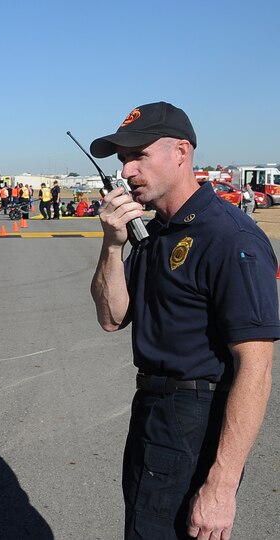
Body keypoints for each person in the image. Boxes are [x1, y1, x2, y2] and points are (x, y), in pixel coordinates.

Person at [89, 101, 278, 539]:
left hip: (197, 416)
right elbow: (111, 317)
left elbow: (256, 367)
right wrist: (113, 246)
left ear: (181, 152)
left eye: (138, 155)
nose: (127, 171)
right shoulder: (155, 234)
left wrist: (222, 486)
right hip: (152, 409)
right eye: (122, 160)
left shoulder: (228, 238)